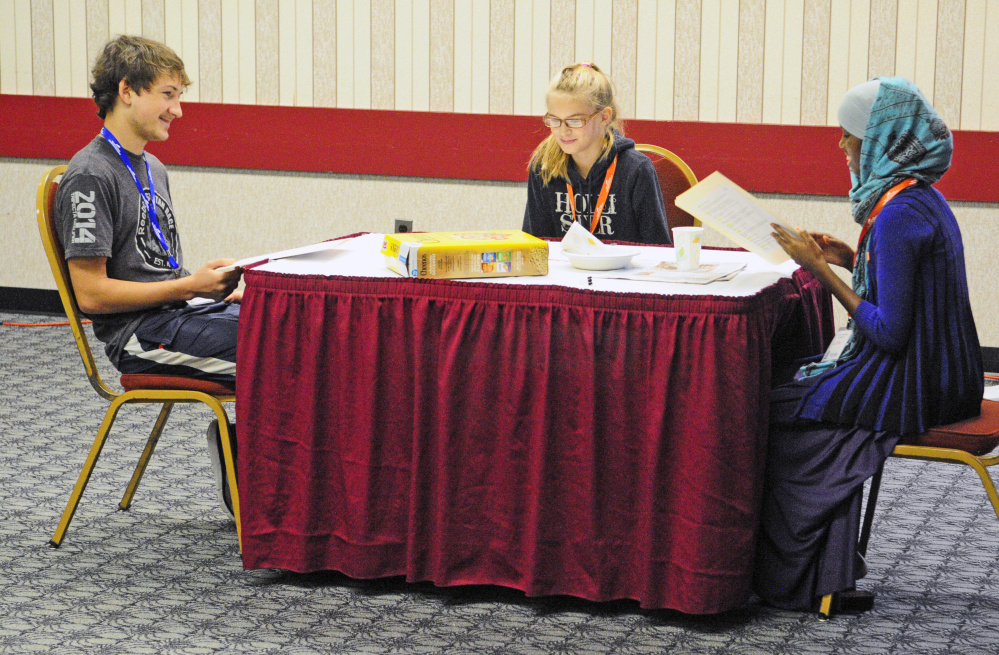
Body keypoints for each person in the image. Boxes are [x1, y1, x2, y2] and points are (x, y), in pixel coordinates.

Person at [754, 77, 984, 612]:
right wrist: (845, 258)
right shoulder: (916, 198)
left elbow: (886, 333)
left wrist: (818, 270)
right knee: (792, 387)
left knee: (769, 409)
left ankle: (809, 580)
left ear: (880, 142)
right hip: (945, 371)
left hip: (918, 383)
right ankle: (825, 577)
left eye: (849, 134)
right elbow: (904, 301)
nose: (841, 145)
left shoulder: (898, 215)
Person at [54, 35, 241, 519]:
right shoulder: (90, 175)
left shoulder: (151, 166)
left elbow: (155, 263)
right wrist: (189, 287)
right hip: (138, 334)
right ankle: (249, 486)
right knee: (278, 352)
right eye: (169, 94)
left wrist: (218, 287)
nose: (178, 110)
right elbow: (91, 296)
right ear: (127, 91)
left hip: (178, 312)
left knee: (288, 323)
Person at [522, 62, 672, 245]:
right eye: (554, 120)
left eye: (575, 121)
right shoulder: (544, 166)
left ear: (604, 117)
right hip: (565, 272)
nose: (563, 131)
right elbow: (534, 244)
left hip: (623, 273)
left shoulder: (636, 169)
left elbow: (658, 249)